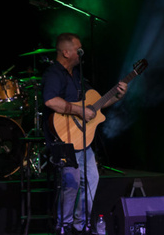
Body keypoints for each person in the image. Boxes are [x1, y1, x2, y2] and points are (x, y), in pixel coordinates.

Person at [41, 33, 127, 234]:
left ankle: (81, 224)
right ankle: (64, 226)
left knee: (91, 179)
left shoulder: (78, 76)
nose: (82, 53)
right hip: (62, 139)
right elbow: (50, 101)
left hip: (82, 138)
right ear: (66, 52)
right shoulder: (54, 74)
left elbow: (95, 105)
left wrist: (117, 96)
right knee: (71, 182)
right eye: (78, 49)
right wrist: (79, 110)